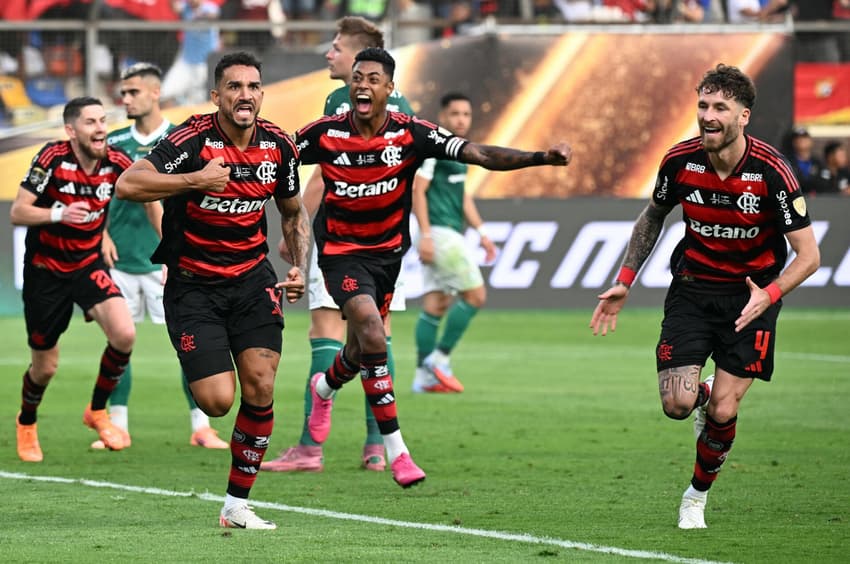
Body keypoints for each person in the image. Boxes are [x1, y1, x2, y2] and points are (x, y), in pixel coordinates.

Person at [296, 47, 572, 488]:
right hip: (341, 253)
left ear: (390, 89)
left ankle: (324, 388)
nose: (362, 85)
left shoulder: (412, 133)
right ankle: (398, 453)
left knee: (360, 348)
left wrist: (541, 157)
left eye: (373, 79)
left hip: (387, 257)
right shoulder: (325, 133)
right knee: (371, 329)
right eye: (357, 78)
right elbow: (274, 158)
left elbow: (479, 153)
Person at [590, 64, 821, 529]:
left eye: (720, 107)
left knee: (722, 410)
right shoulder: (680, 161)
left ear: (743, 116)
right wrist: (625, 278)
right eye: (703, 105)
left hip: (752, 298)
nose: (708, 116)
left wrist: (770, 295)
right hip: (693, 290)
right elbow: (652, 216)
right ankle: (705, 392)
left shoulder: (772, 172)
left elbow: (809, 255)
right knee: (677, 405)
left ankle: (695, 497)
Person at [116, 51, 310, 530]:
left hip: (252, 280)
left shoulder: (279, 146)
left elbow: (291, 211)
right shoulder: (190, 139)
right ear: (217, 95)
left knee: (262, 384)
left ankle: (235, 505)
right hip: (193, 286)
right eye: (235, 86)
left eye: (253, 86)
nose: (245, 95)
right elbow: (128, 183)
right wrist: (195, 180)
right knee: (217, 401)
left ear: (262, 94)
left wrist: (300, 265)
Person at [262, 15, 415, 475]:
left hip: (344, 238)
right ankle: (374, 447)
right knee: (375, 334)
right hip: (388, 238)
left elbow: (323, 174)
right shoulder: (398, 101)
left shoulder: (345, 98)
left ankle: (310, 448)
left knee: (325, 331)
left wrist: (297, 232)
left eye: (336, 48)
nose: (330, 55)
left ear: (358, 55)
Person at [11, 96, 153, 461]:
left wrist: (168, 245)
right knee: (46, 367)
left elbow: (149, 194)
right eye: (91, 122)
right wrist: (58, 214)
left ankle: (97, 411)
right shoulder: (52, 158)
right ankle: (27, 421)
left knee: (124, 334)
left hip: (88, 265)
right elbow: (18, 211)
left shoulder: (116, 161)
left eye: (103, 121)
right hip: (47, 271)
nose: (101, 128)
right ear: (71, 131)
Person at [98, 61, 229, 450]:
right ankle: (117, 426)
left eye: (133, 92)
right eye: (123, 93)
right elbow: (97, 194)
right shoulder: (114, 142)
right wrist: (101, 232)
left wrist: (181, 254)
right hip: (118, 258)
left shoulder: (181, 139)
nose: (126, 99)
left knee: (191, 342)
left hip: (168, 263)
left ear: (155, 92)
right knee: (119, 345)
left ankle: (201, 426)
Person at [410, 92, 496, 393]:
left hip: (443, 232)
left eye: (466, 114)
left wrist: (483, 233)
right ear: (443, 115)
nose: (461, 119)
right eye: (455, 113)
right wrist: (427, 234)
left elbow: (463, 197)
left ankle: (423, 377)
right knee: (476, 296)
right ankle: (439, 358)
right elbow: (417, 190)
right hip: (439, 232)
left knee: (436, 303)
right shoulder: (435, 147)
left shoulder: (458, 151)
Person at [160, 0, 220, 107]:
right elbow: (175, 6)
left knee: (198, 103)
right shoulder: (185, 6)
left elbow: (213, 15)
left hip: (204, 65)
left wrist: (200, 14)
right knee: (165, 94)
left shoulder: (209, 7)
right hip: (186, 62)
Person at [786, 126, 827, 195]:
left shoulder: (818, 162)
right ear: (793, 142)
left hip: (819, 200)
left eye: (805, 137)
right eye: (798, 138)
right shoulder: (788, 162)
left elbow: (825, 182)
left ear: (811, 141)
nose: (801, 140)